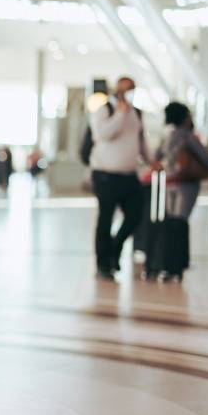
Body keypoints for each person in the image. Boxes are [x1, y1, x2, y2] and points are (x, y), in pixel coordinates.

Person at [153, 102, 208, 281]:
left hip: (170, 183)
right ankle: (178, 266)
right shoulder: (187, 137)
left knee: (172, 222)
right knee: (180, 223)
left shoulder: (167, 136)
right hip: (186, 184)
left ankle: (167, 265)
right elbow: (207, 158)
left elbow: (157, 157)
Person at [89, 76, 151, 280]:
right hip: (105, 175)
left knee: (135, 215)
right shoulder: (104, 110)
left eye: (132, 89)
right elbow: (102, 135)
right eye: (125, 89)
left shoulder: (136, 112)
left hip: (128, 175)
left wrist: (151, 161)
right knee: (105, 219)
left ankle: (115, 248)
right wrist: (120, 115)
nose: (128, 93)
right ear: (117, 90)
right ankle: (103, 264)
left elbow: (140, 140)